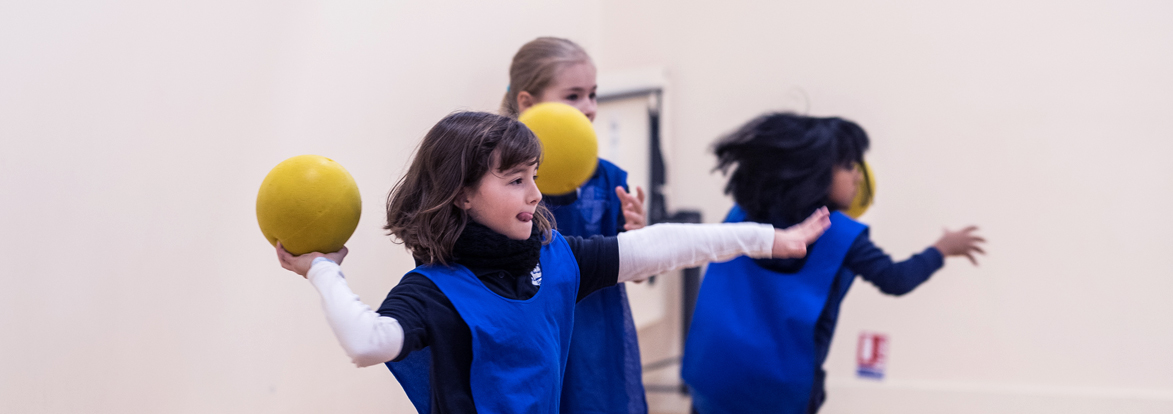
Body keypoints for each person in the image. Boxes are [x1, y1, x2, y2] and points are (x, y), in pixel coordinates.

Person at [275, 111, 832, 414]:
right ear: (463, 193)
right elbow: (369, 342)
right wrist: (321, 268)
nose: (536, 194)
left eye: (535, 177)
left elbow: (660, 244)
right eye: (516, 181)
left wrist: (768, 239)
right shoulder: (435, 292)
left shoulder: (554, 259)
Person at [681, 113, 986, 414]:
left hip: (713, 373)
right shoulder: (840, 234)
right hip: (781, 391)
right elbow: (896, 278)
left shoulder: (742, 214)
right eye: (850, 166)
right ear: (817, 173)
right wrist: (942, 248)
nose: (858, 175)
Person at [500, 36, 649, 414]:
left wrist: (638, 235)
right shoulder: (497, 182)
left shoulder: (609, 179)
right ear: (528, 103)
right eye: (573, 96)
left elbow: (638, 274)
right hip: (531, 333)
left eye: (593, 95)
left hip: (596, 338)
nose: (589, 108)